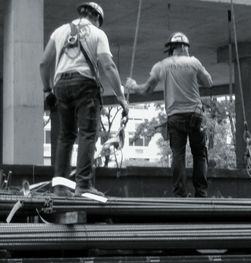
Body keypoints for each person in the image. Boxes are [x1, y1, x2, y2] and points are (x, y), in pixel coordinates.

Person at [40, 2, 128, 197]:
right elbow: (108, 65)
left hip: (60, 84)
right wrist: (121, 97)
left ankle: (60, 187)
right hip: (85, 85)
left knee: (66, 136)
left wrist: (47, 91)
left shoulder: (60, 31)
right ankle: (84, 186)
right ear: (97, 18)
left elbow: (44, 63)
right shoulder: (98, 34)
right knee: (87, 134)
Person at [126, 32, 213, 197]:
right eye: (187, 48)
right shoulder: (194, 62)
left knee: (178, 154)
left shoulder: (162, 65)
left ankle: (180, 193)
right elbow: (208, 82)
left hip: (175, 116)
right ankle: (201, 193)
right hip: (195, 114)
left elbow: (146, 90)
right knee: (199, 154)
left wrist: (133, 86)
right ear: (183, 46)